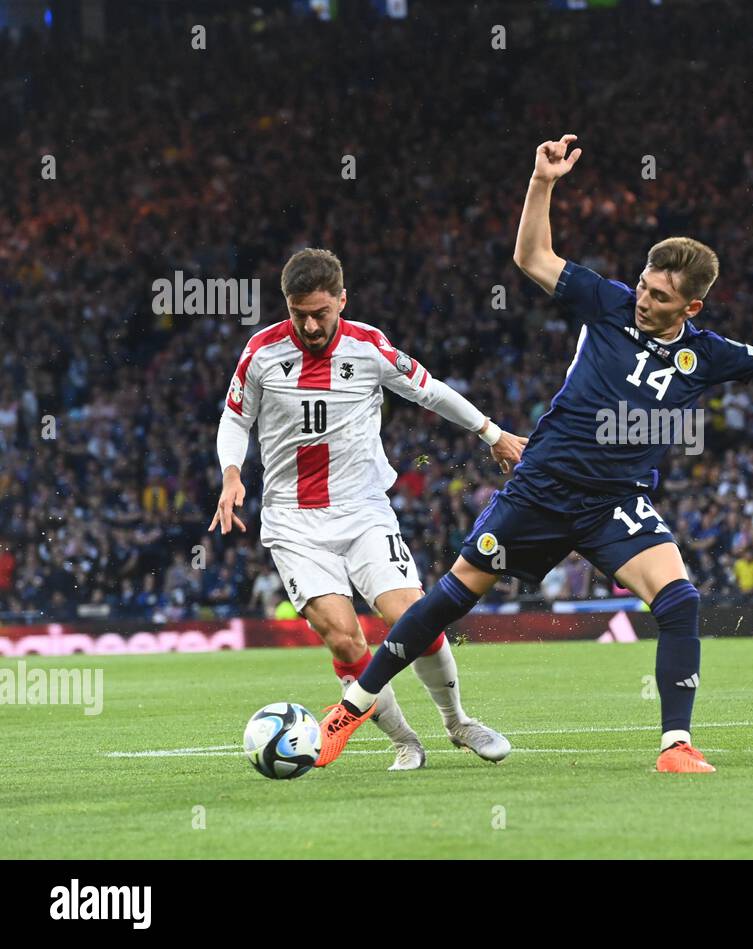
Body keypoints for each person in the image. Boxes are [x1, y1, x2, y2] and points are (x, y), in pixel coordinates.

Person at [315, 133, 753, 773]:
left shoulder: (707, 355)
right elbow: (532, 256)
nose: (643, 300)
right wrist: (543, 182)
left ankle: (676, 747)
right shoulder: (606, 301)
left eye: (659, 298)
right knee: (450, 598)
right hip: (542, 488)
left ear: (691, 307)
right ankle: (354, 706)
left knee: (680, 600)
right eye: (643, 286)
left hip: (615, 502)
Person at [210, 248, 526, 770]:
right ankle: (405, 740)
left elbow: (431, 391)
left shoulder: (369, 346)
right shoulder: (261, 352)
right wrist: (231, 473)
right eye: (298, 314)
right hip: (293, 520)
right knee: (342, 633)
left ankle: (458, 722)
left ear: (342, 300)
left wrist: (491, 434)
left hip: (361, 510)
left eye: (320, 312)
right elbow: (235, 419)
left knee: (412, 617)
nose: (310, 325)